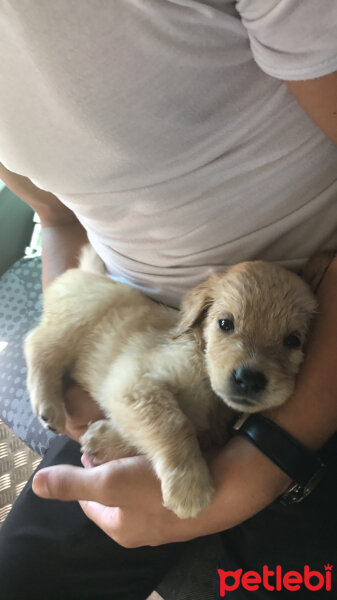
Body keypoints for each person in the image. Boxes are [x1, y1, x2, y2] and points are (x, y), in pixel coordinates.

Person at [0, 2, 337, 598]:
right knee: (21, 579)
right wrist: (76, 361)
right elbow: (57, 217)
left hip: (320, 350)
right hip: (148, 358)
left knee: (291, 582)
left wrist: (265, 458)